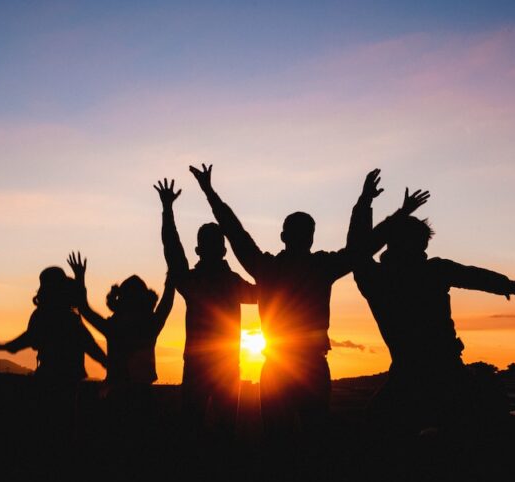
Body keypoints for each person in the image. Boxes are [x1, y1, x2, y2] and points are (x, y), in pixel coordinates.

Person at [188, 163, 427, 438]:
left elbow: (234, 232)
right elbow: (363, 247)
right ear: (312, 238)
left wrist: (209, 192)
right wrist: (387, 209)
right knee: (316, 440)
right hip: (311, 367)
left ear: (283, 237)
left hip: (278, 368)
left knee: (280, 442)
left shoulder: (267, 268)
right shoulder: (321, 267)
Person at [353, 202, 515, 432]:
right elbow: (469, 275)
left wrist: (367, 203)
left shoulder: (375, 278)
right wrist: (503, 284)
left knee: (383, 425)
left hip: (418, 370)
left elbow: (358, 250)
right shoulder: (428, 271)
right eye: (420, 243)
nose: (424, 248)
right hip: (438, 371)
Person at [156, 178, 257, 437]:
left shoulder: (194, 281)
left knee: (192, 429)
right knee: (224, 432)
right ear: (224, 251)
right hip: (224, 365)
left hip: (199, 365)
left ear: (199, 250)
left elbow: (173, 251)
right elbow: (263, 293)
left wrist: (167, 210)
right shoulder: (231, 283)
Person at [67, 252, 174, 391]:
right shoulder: (150, 325)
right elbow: (167, 299)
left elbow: (84, 308)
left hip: (116, 392)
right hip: (142, 393)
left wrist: (80, 278)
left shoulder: (114, 327)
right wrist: (172, 272)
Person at [0, 266, 107, 381]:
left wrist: (8, 346)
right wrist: (106, 362)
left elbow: (31, 339)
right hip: (72, 379)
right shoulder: (72, 318)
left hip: (48, 376)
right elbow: (89, 344)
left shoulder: (41, 315)